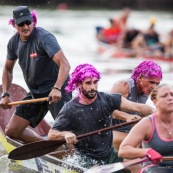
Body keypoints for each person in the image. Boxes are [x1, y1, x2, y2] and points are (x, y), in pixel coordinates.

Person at [48, 63, 155, 170]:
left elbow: (137, 107)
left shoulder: (107, 99)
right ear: (79, 84)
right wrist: (66, 134)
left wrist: (157, 112)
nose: (93, 87)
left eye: (95, 82)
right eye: (88, 83)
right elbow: (52, 134)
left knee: (136, 167)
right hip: (85, 159)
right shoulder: (70, 109)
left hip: (109, 155)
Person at [0, 6, 71, 143]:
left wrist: (56, 88)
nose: (25, 26)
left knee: (67, 132)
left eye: (28, 22)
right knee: (12, 131)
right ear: (14, 25)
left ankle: (73, 156)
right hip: (35, 93)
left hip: (57, 90)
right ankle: (46, 147)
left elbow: (65, 64)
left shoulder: (44, 38)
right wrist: (6, 94)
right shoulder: (13, 42)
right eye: (21, 24)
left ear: (33, 21)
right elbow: (8, 69)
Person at [118, 84, 173, 173]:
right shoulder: (146, 124)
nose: (170, 98)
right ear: (155, 101)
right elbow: (123, 150)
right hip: (155, 168)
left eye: (172, 94)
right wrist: (147, 152)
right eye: (164, 96)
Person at [110, 60, 162, 150]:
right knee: (147, 144)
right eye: (151, 82)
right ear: (140, 77)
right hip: (111, 132)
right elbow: (107, 109)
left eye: (157, 83)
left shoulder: (146, 91)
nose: (154, 87)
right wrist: (127, 117)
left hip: (129, 132)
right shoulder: (124, 85)